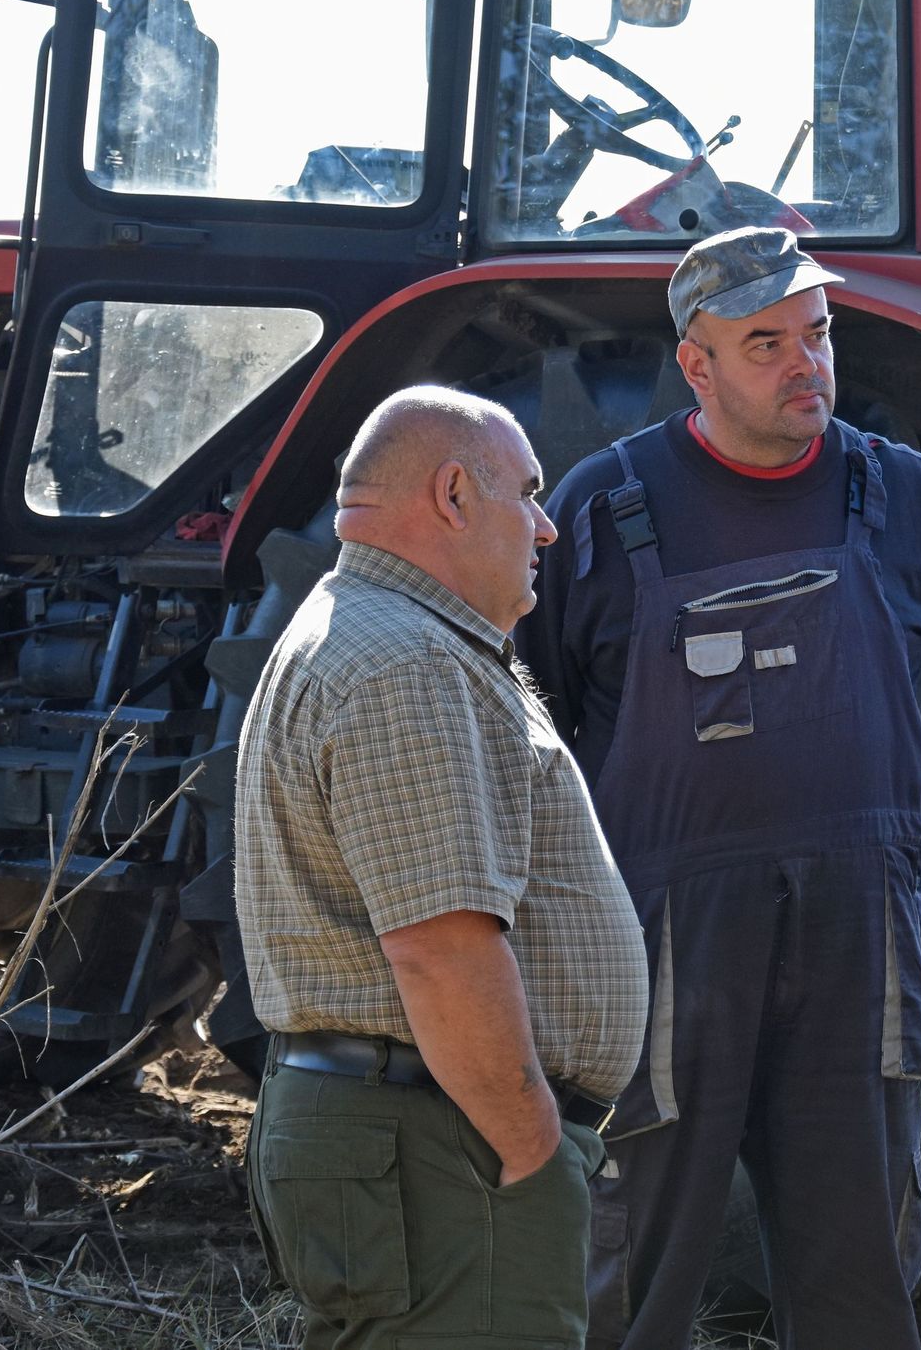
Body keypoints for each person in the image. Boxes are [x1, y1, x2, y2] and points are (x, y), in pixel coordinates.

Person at [511, 226, 921, 1350]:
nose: (803, 362)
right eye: (764, 341)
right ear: (697, 365)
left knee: (858, 1275)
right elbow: (527, 697)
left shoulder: (902, 493)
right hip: (668, 945)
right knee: (631, 1273)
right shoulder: (602, 508)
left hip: (853, 946)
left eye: (815, 333)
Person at [236, 385, 649, 1350]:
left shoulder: (376, 634)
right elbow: (441, 948)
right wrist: (530, 1145)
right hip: (444, 1145)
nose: (547, 528)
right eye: (530, 495)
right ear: (456, 494)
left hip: (420, 1132)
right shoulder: (404, 662)